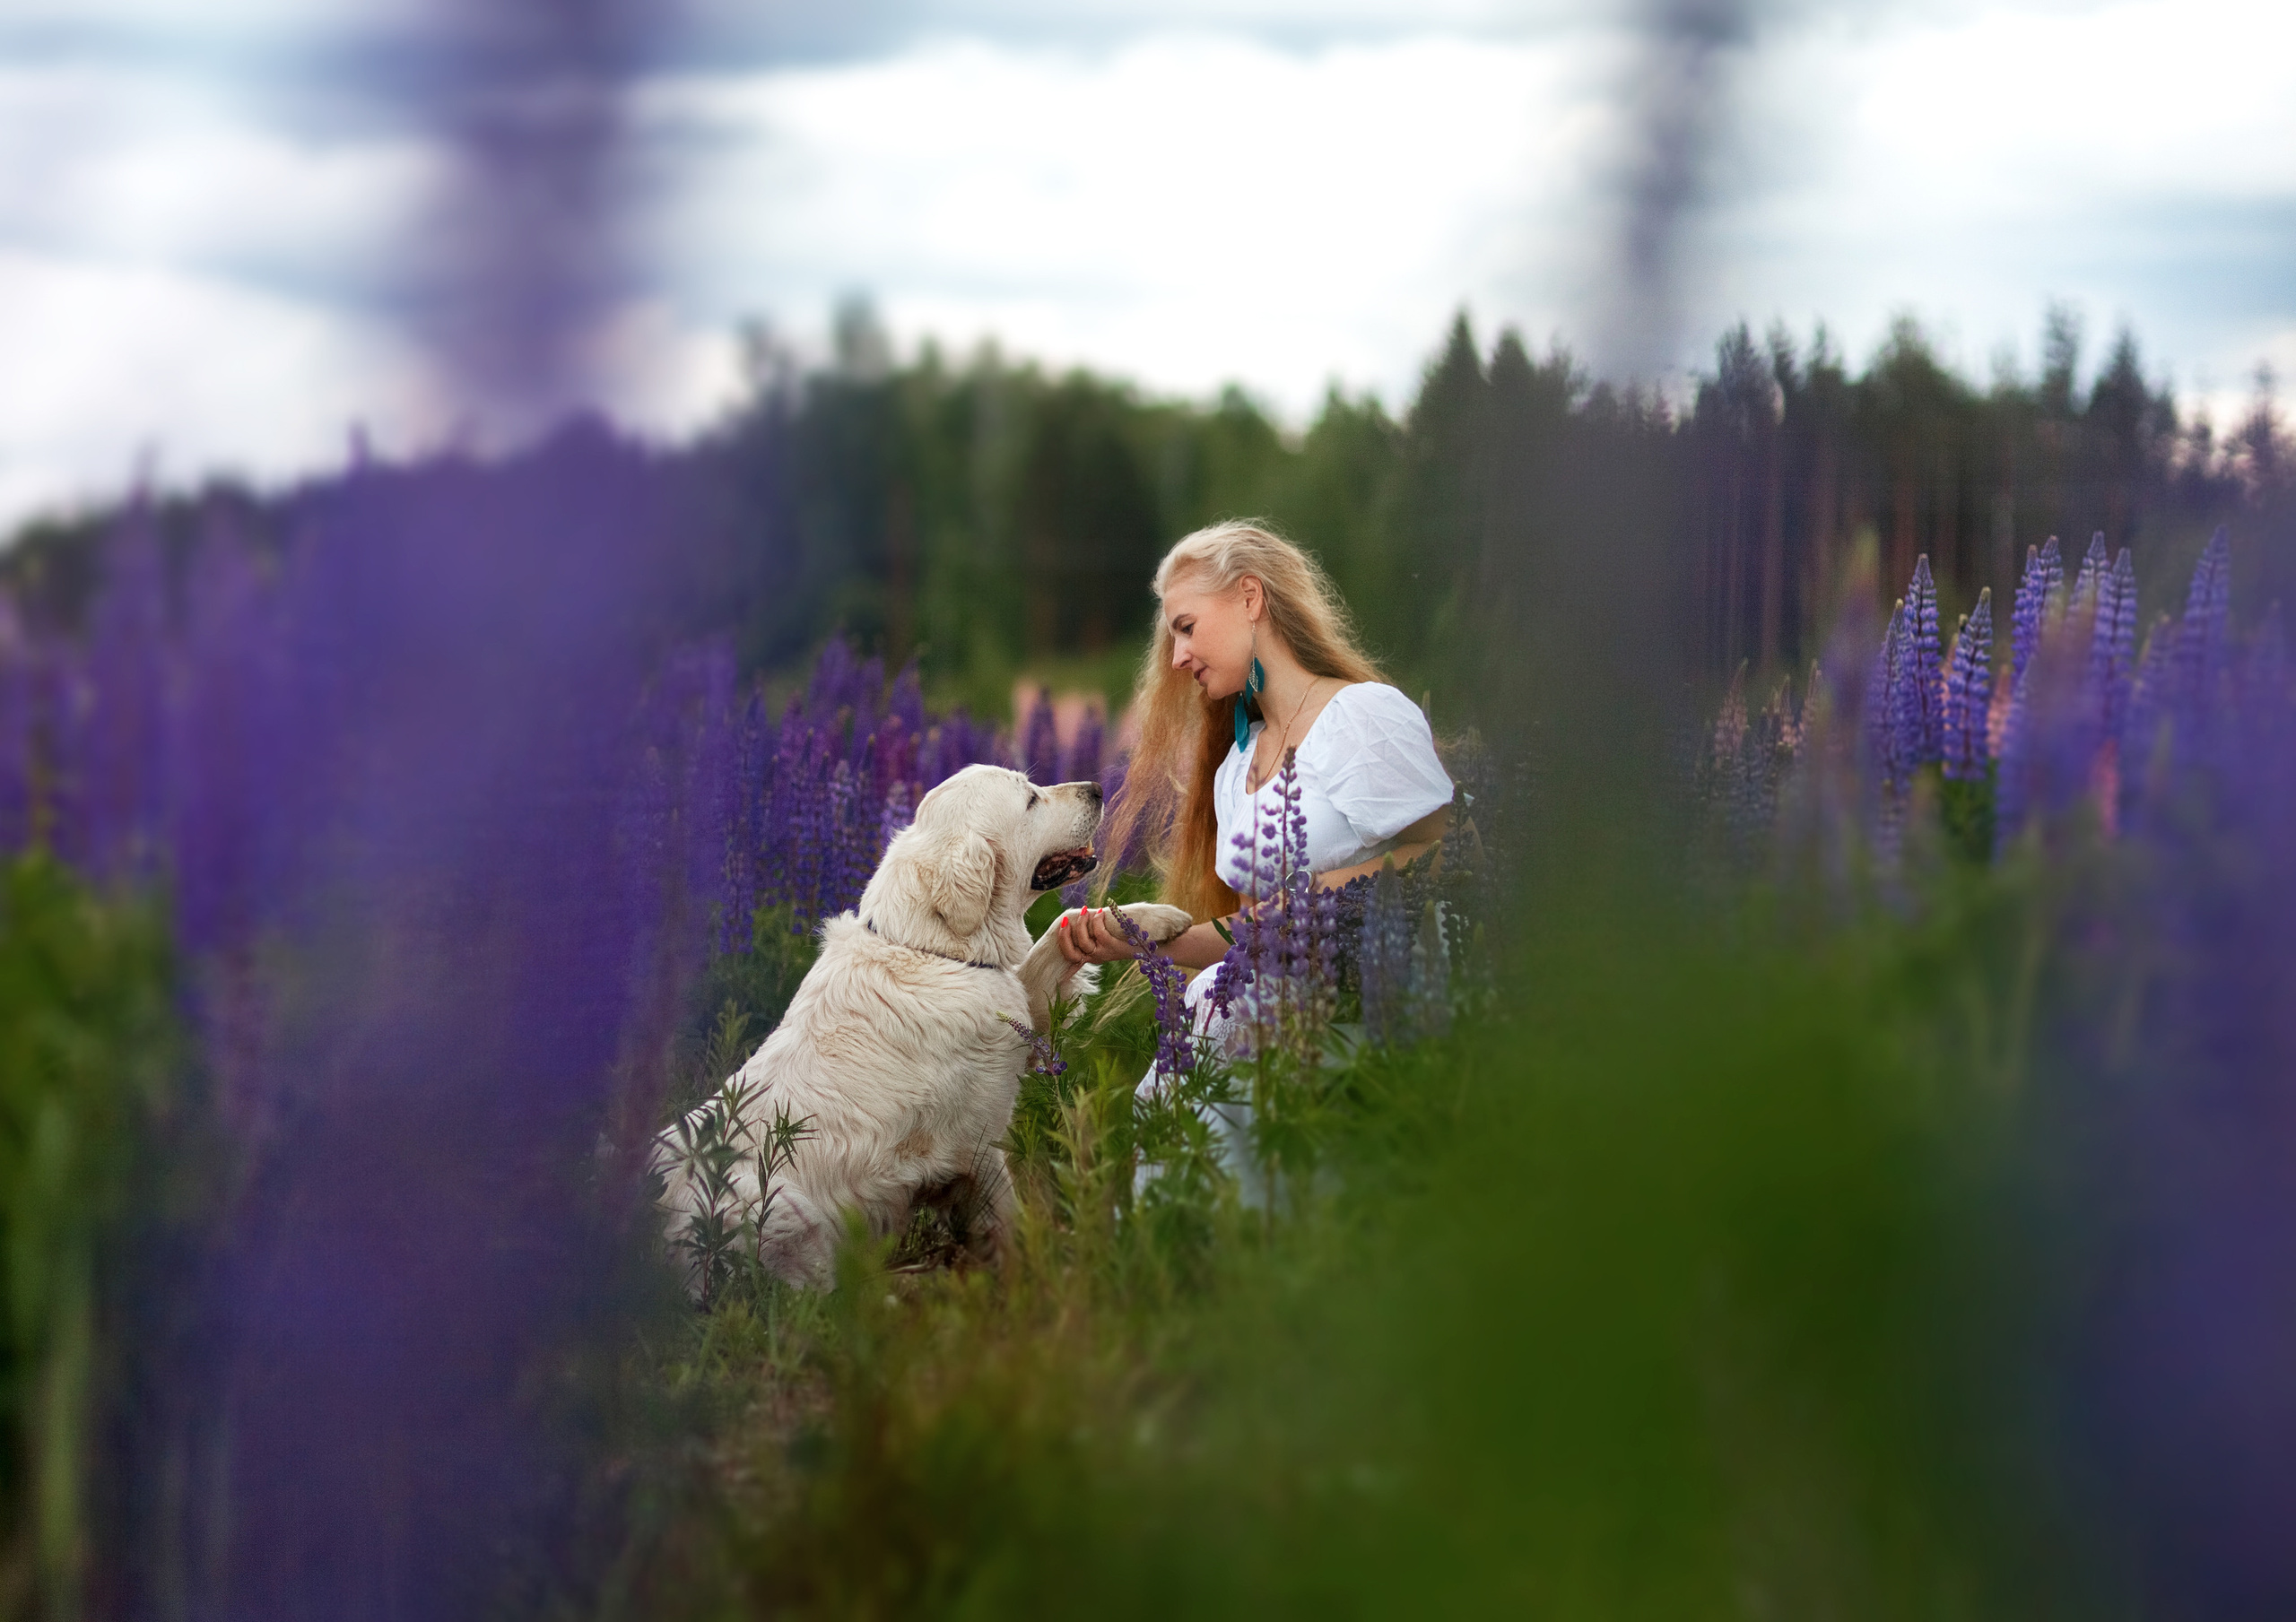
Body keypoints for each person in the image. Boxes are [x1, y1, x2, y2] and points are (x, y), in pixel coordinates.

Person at [1054, 518, 1453, 1026]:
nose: (1177, 658)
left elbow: (1455, 852)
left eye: (1186, 628)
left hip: (1383, 1026)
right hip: (1286, 1036)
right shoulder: (1236, 769)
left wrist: (1317, 897)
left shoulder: (1359, 716)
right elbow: (1256, 938)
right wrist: (1137, 938)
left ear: (1249, 598)